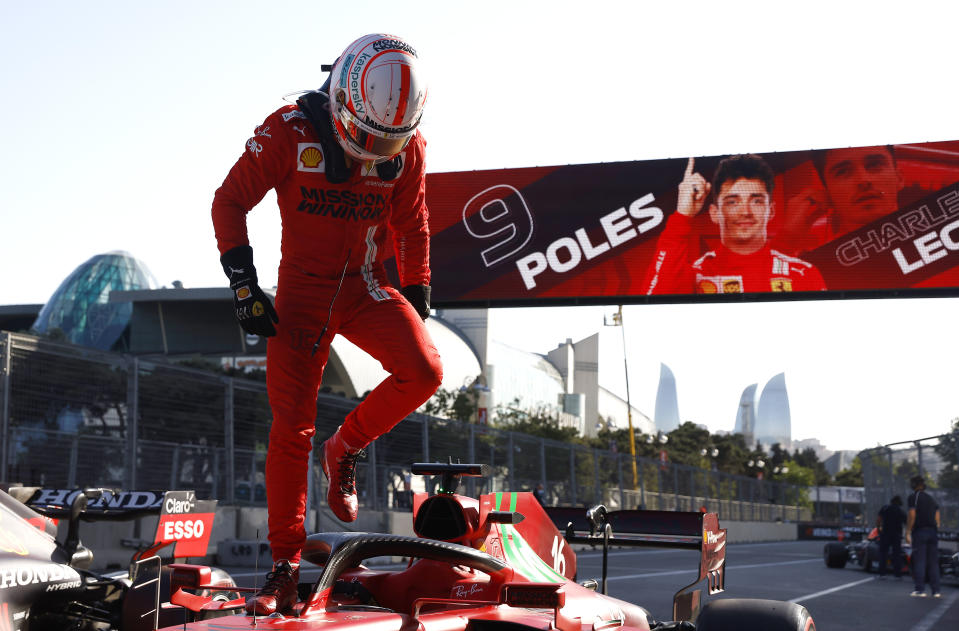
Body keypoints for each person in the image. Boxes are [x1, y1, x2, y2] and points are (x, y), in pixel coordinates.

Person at [211, 33, 443, 615]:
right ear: (341, 97)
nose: (373, 151)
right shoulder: (288, 130)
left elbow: (412, 224)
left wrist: (416, 292)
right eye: (365, 136)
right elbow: (228, 201)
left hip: (365, 286)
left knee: (425, 370)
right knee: (291, 428)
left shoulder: (408, 147)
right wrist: (244, 283)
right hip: (301, 297)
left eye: (387, 142)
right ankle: (283, 568)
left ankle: (345, 449)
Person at [643, 154, 827, 294]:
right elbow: (650, 306)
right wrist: (683, 215)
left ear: (770, 211)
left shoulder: (803, 274)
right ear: (714, 213)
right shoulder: (697, 275)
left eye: (756, 201)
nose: (745, 211)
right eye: (732, 202)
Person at [775, 145, 904, 254]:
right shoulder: (817, 265)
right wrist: (787, 241)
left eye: (874, 164)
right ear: (826, 191)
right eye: (843, 172)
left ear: (899, 178)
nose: (863, 180)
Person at [905, 475, 941, 598]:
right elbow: (937, 514)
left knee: (920, 561)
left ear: (914, 485)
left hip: (920, 531)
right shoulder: (931, 498)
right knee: (933, 562)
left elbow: (912, 514)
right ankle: (936, 591)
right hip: (933, 532)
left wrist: (908, 531)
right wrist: (936, 525)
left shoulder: (913, 497)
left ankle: (920, 590)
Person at [876, 495, 906, 579]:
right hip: (896, 534)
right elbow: (906, 522)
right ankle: (898, 575)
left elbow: (879, 519)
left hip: (885, 533)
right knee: (896, 554)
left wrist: (878, 529)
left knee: (883, 554)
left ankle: (882, 574)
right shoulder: (900, 511)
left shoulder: (885, 508)